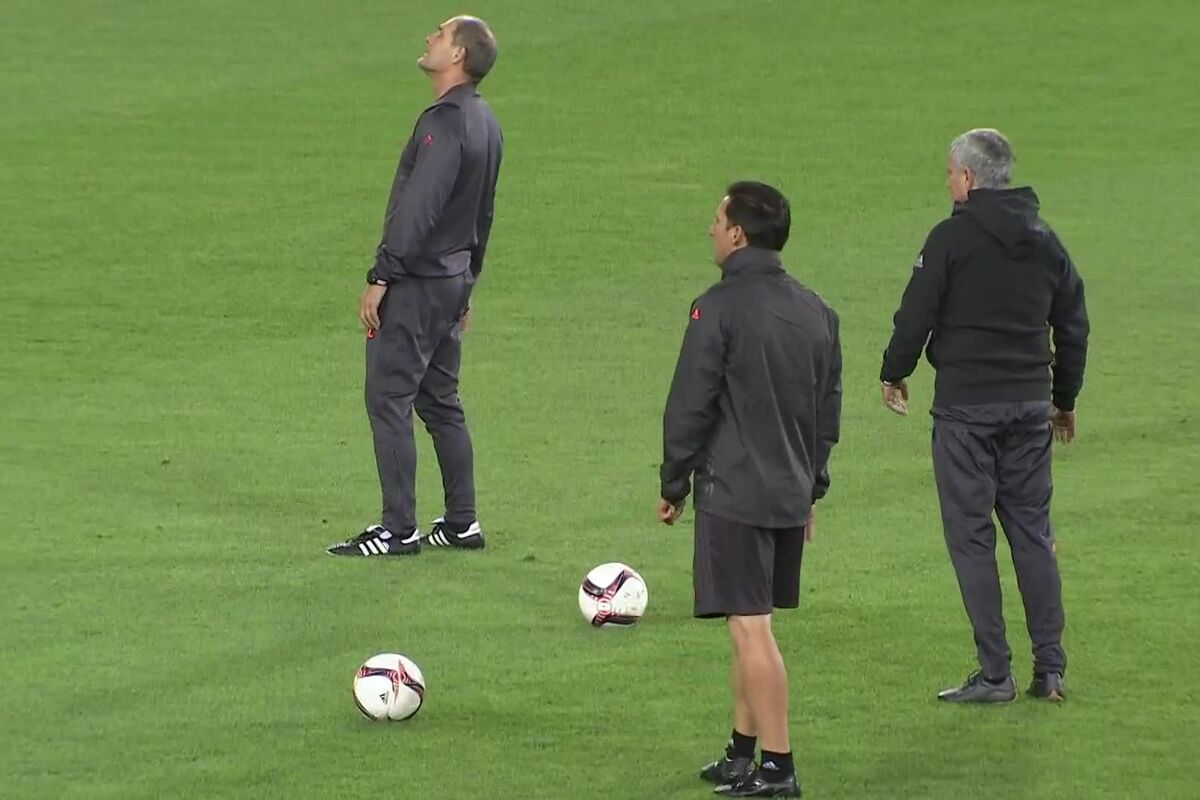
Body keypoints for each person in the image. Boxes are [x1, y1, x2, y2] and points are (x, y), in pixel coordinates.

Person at [879, 128, 1089, 703]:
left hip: (965, 412)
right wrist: (1064, 401)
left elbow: (915, 314)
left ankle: (996, 675)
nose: (948, 182)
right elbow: (1074, 324)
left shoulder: (950, 238)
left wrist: (894, 372)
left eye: (951, 173)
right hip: (1028, 408)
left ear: (968, 178)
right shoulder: (1045, 240)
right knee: (1033, 534)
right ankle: (1050, 670)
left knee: (972, 540)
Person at [659, 182, 842, 797]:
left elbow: (691, 403)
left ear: (738, 234)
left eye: (717, 220)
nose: (710, 229)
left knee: (750, 628)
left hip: (735, 492)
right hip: (788, 490)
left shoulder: (718, 308)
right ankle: (741, 753)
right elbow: (825, 416)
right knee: (748, 621)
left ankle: (779, 766)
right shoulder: (817, 311)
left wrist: (673, 482)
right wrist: (811, 489)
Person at [327, 16, 502, 558]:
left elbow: (417, 209)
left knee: (388, 397)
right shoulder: (485, 120)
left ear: (459, 55)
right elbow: (484, 212)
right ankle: (462, 522)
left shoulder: (444, 123)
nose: (430, 37)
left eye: (441, 34)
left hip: (419, 283)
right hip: (452, 281)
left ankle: (398, 529)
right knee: (440, 399)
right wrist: (468, 283)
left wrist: (382, 274)